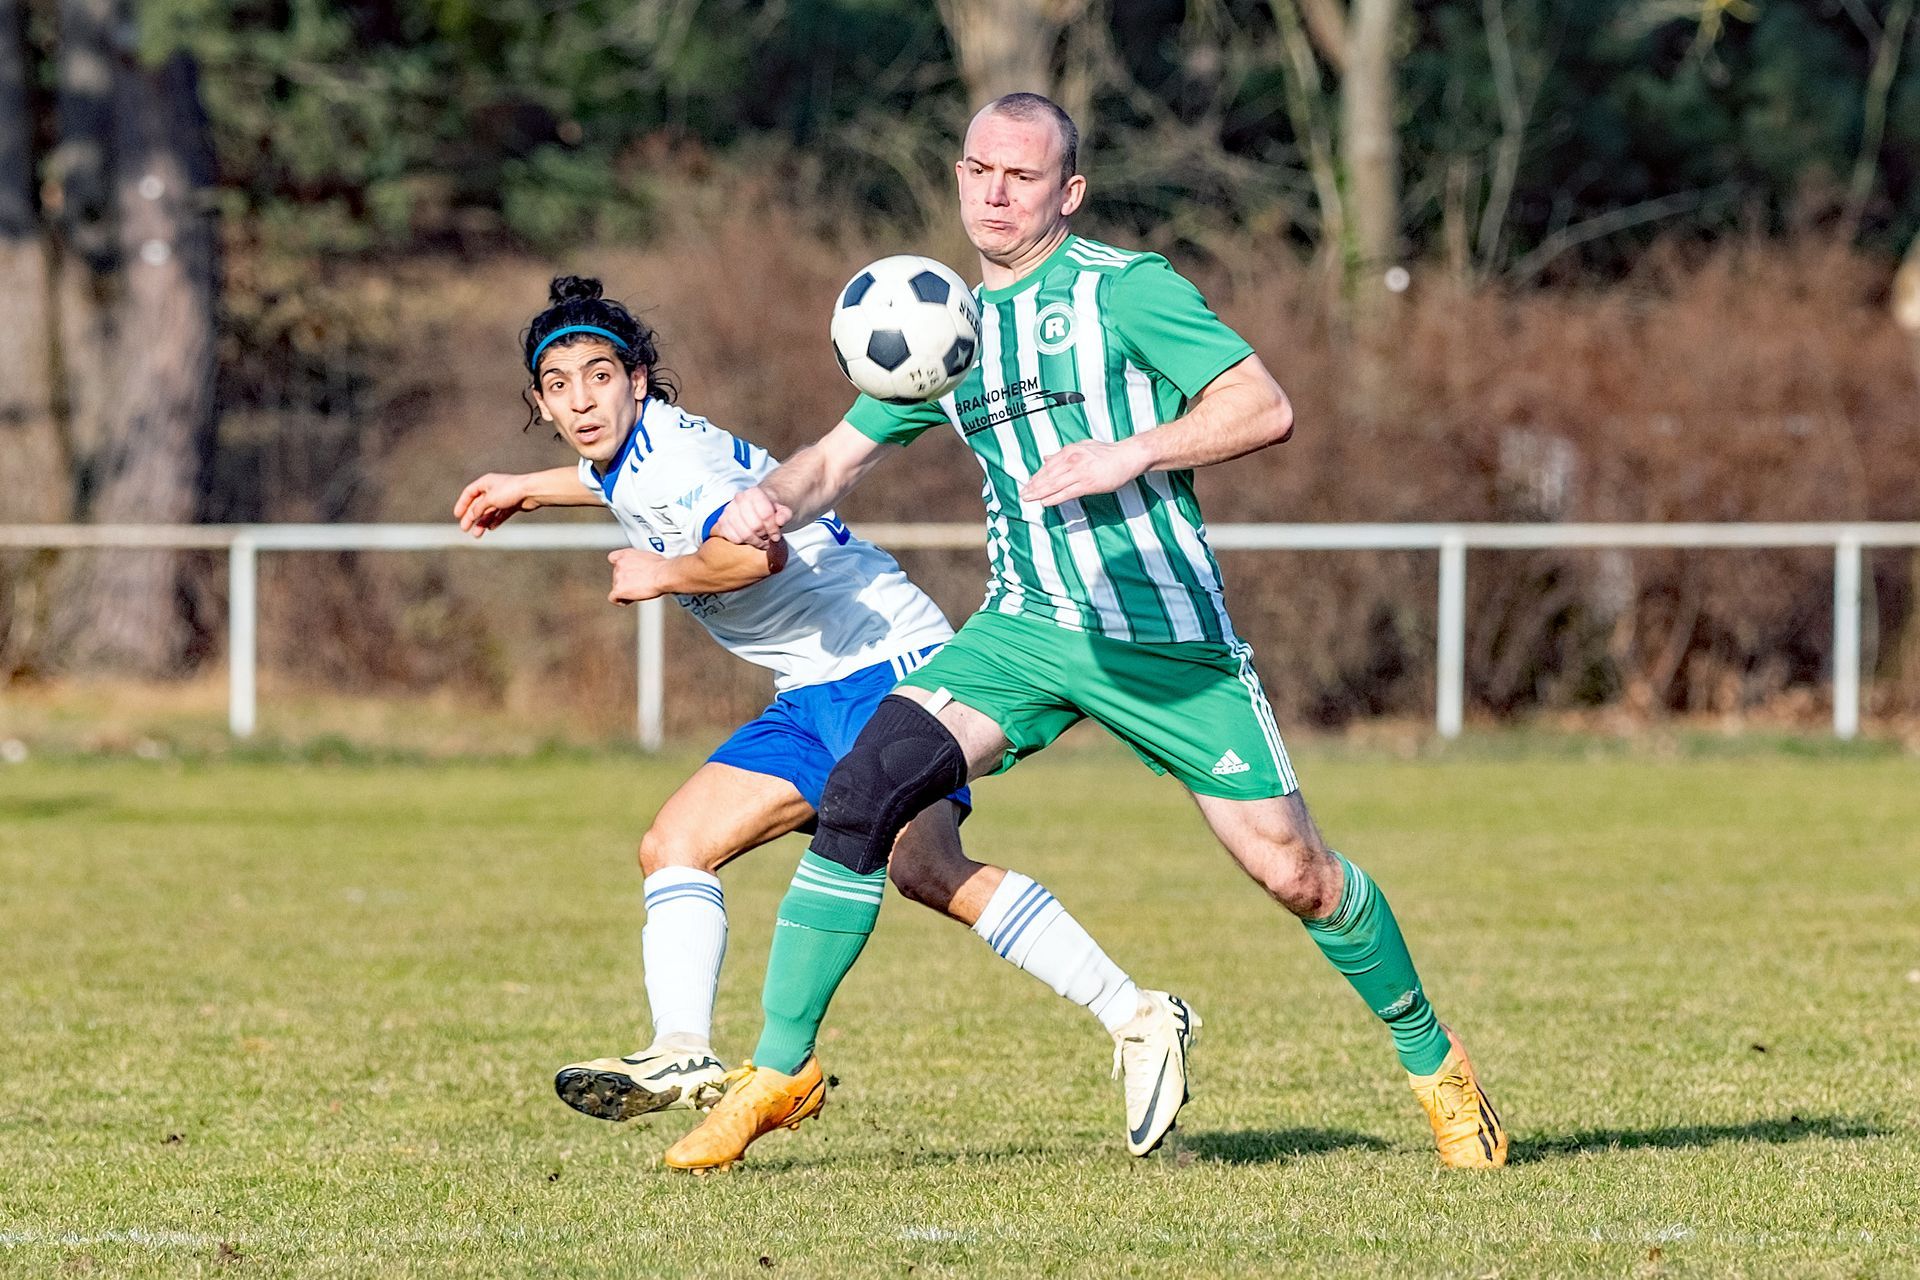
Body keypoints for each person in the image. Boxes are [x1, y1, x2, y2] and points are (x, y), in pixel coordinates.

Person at [668, 93, 1507, 1173]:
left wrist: (1133, 451)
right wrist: (769, 500)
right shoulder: (945, 327)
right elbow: (833, 457)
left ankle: (1437, 1064)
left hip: (1166, 645)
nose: (995, 194)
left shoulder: (1126, 288)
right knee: (863, 790)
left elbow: (1262, 404)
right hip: (1022, 632)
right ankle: (778, 1072)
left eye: (1022, 176)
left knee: (1298, 872)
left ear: (1068, 193)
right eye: (980, 170)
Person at [453, 275, 1194, 1158]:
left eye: (600, 377)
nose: (582, 400)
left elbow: (755, 555)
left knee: (926, 868)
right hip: (809, 689)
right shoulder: (630, 452)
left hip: (888, 661)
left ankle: (1138, 1014)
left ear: (638, 381)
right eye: (560, 386)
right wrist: (528, 488)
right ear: (541, 402)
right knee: (674, 845)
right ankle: (682, 1049)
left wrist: (665, 574)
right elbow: (603, 474)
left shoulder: (676, 463)